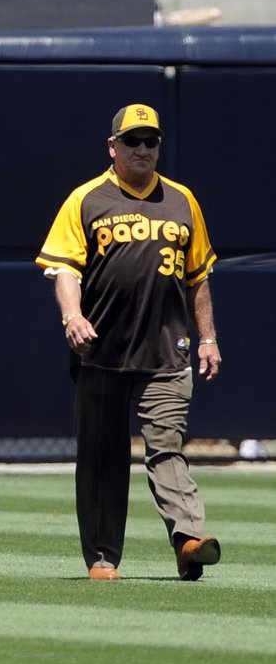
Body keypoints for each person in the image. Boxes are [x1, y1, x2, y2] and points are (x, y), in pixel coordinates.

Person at [36, 104, 222, 582]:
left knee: (167, 446)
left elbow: (198, 277)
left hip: (167, 349)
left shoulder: (183, 200)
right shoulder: (86, 199)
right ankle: (103, 557)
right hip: (102, 349)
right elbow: (64, 269)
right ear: (112, 146)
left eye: (151, 141)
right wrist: (72, 316)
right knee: (102, 455)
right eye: (133, 140)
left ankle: (188, 540)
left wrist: (208, 339)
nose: (143, 149)